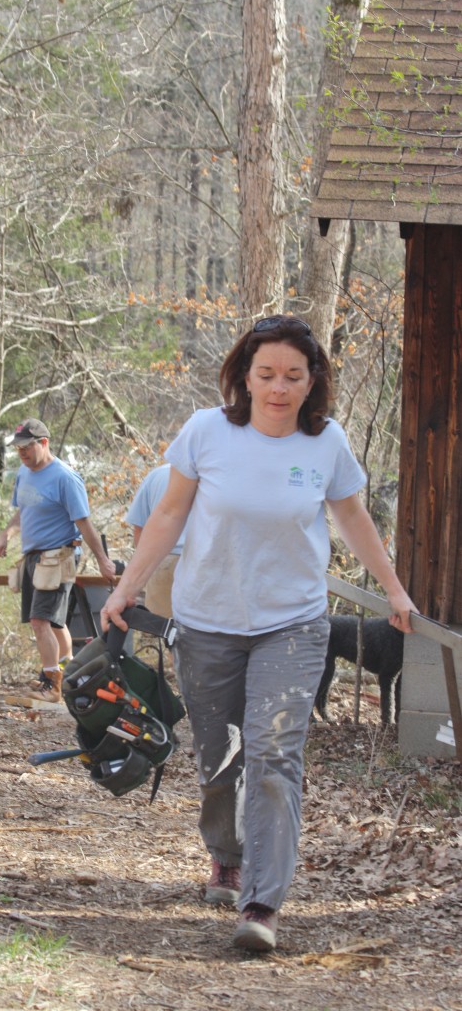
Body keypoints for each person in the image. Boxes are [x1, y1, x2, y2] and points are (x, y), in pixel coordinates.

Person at [101, 315, 416, 952]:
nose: (278, 387)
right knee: (219, 753)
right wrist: (128, 585)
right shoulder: (207, 432)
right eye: (266, 374)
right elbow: (168, 514)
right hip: (208, 621)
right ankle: (226, 853)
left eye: (292, 376)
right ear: (244, 376)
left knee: (274, 758)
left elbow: (352, 516)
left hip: (294, 624)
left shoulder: (326, 442)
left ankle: (263, 902)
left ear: (312, 381)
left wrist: (393, 588)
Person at [0, 418, 116, 703]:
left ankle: (52, 684)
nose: (21, 453)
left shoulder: (64, 477)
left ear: (44, 443)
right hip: (33, 556)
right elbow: (22, 511)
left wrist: (103, 560)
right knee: (56, 624)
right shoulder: (23, 475)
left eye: (26, 447)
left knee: (41, 620)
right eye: (18, 448)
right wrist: (5, 535)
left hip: (58, 556)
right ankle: (68, 673)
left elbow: (84, 523)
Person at [126, 463, 187, 619]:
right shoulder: (211, 474)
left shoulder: (156, 475)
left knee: (161, 630)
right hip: (202, 560)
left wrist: (145, 567)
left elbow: (139, 529)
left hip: (161, 560)